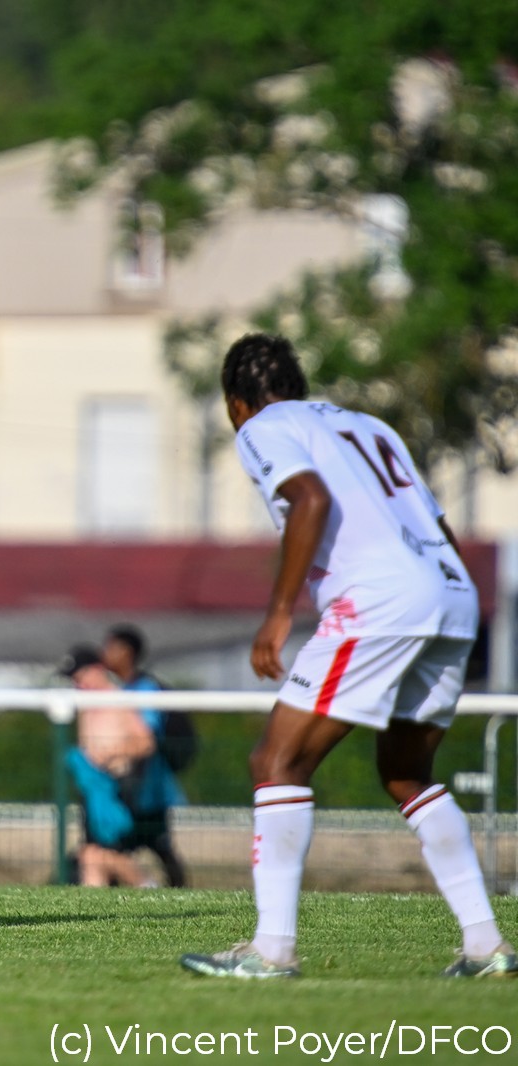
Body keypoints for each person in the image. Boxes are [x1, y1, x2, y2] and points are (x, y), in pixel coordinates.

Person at [182, 332, 514, 979]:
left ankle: (272, 951)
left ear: (235, 404)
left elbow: (310, 499)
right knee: (406, 773)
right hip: (451, 593)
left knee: (276, 761)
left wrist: (279, 611)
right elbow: (436, 524)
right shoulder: (368, 425)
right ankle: (486, 945)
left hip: (381, 599)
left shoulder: (264, 426)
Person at [60, 645, 159, 888]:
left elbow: (146, 743)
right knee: (91, 855)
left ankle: (148, 886)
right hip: (94, 791)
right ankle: (97, 902)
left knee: (100, 853)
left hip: (117, 789)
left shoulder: (119, 701)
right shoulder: (86, 706)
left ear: (95, 670)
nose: (78, 685)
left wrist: (112, 754)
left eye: (79, 678)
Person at [100, 624, 189, 887]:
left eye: (111, 647)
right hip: (125, 790)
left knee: (158, 847)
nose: (105, 653)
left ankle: (177, 894)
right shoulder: (117, 689)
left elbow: (146, 740)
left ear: (127, 652)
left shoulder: (145, 689)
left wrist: (110, 754)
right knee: (116, 848)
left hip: (148, 790)